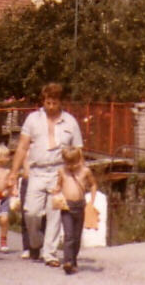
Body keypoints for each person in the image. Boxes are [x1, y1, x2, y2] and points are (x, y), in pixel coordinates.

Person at [9, 82, 84, 263]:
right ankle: (36, 243)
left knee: (54, 214)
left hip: (60, 173)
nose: (50, 107)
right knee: (31, 212)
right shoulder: (33, 119)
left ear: (60, 103)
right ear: (44, 101)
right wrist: (13, 172)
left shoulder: (70, 122)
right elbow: (22, 147)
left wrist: (80, 178)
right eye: (47, 103)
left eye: (54, 103)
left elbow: (79, 151)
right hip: (37, 171)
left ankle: (50, 254)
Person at [47, 144, 97, 274]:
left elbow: (93, 185)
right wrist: (55, 190)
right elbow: (59, 185)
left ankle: (73, 260)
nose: (71, 167)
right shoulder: (62, 171)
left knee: (76, 236)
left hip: (80, 205)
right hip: (67, 206)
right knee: (69, 235)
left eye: (74, 163)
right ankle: (68, 261)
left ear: (79, 159)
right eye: (68, 163)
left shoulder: (85, 171)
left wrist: (92, 200)